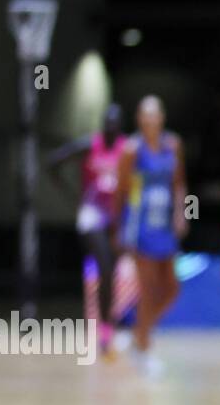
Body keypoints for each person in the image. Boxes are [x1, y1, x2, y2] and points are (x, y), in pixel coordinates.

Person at [113, 96, 187, 377]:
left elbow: (179, 185)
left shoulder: (173, 145)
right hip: (140, 224)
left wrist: (181, 213)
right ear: (139, 120)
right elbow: (121, 192)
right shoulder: (132, 150)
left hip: (165, 224)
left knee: (171, 288)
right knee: (149, 288)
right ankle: (143, 348)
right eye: (145, 115)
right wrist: (118, 230)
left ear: (162, 117)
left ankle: (138, 333)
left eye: (155, 115)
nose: (150, 120)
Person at [47, 103, 126, 357]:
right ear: (103, 125)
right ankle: (105, 331)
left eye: (115, 123)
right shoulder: (89, 144)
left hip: (116, 216)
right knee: (103, 267)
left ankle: (107, 328)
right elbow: (54, 162)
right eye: (107, 123)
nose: (110, 127)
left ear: (120, 126)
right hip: (92, 214)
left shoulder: (127, 149)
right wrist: (71, 195)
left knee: (110, 274)